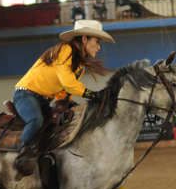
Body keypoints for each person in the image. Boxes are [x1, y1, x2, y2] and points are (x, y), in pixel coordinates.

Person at [11, 19, 113, 176]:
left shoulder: (79, 66)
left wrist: (69, 103)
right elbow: (68, 82)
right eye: (97, 42)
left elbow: (64, 91)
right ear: (84, 39)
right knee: (36, 120)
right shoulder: (65, 50)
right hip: (25, 94)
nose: (99, 47)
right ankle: (20, 154)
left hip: (42, 99)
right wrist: (92, 94)